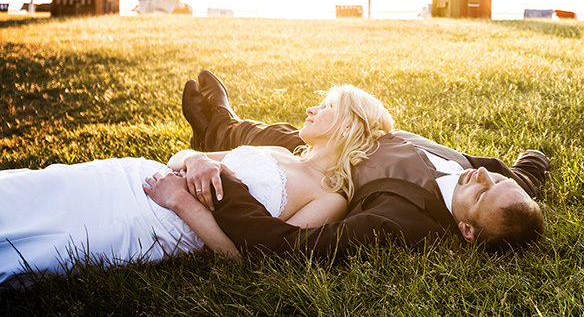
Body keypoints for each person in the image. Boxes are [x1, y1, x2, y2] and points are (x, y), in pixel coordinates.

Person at [0, 83, 391, 288]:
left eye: (326, 106)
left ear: (348, 126)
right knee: (38, 188)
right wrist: (198, 158)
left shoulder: (329, 198)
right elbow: (177, 159)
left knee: (38, 233)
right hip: (135, 175)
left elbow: (255, 261)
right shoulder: (277, 147)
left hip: (157, 220)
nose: (311, 108)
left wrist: (181, 203)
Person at [181, 71, 549, 258]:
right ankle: (220, 123)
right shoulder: (493, 182)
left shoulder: (403, 222)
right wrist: (535, 162)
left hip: (326, 166)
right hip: (353, 130)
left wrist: (225, 191)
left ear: (466, 231)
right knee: (280, 131)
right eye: (499, 179)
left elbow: (295, 248)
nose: (483, 175)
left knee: (278, 138)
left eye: (484, 191)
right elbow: (524, 179)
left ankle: (215, 126)